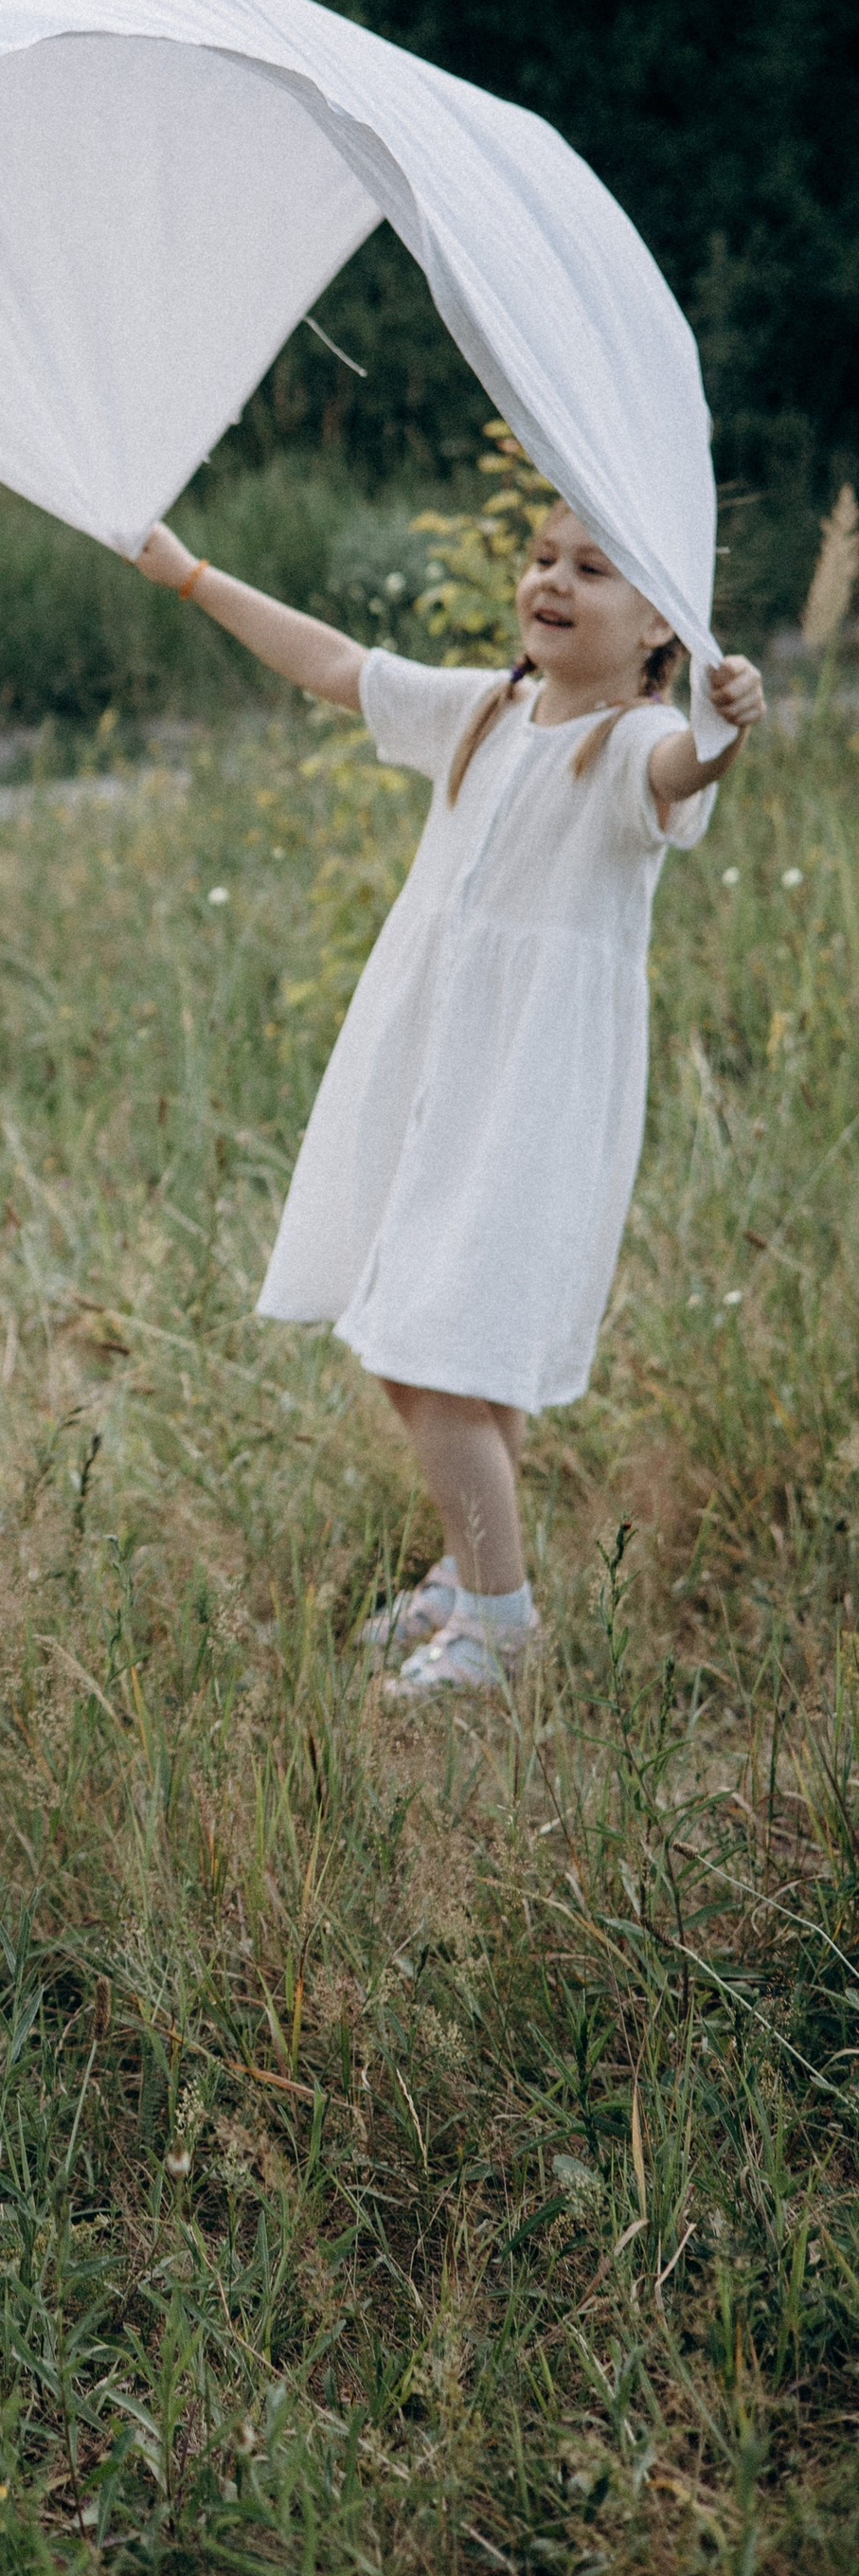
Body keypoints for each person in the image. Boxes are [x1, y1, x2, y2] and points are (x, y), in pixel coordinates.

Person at [133, 501, 765, 1698]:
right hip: (431, 1065)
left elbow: (693, 768)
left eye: (592, 568)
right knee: (454, 1343)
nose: (552, 580)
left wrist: (724, 724)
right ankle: (470, 1569)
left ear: (658, 631)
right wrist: (191, 574)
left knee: (424, 1343)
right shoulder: (485, 709)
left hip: (532, 1087)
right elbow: (333, 662)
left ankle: (498, 1620)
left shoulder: (633, 746)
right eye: (540, 558)